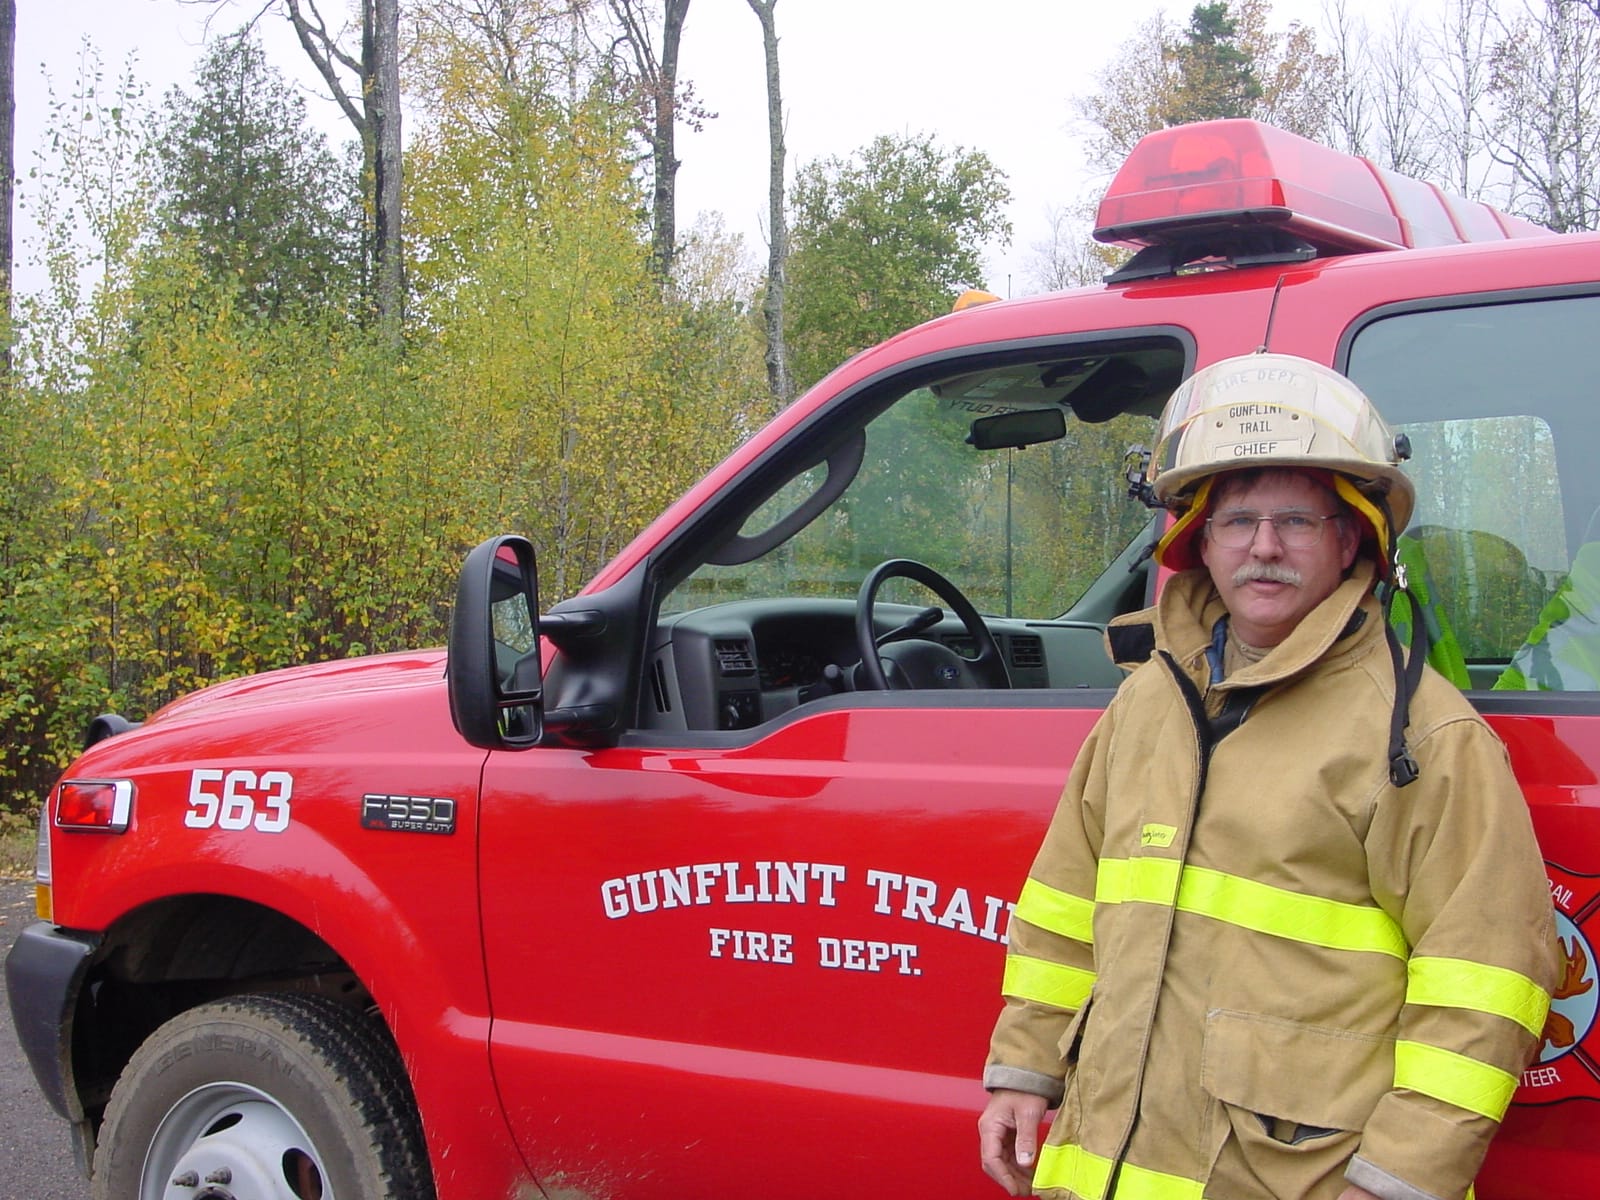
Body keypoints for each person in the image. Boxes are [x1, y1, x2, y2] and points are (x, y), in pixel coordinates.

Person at [978, 352, 1558, 1200]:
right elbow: (1063, 909)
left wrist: (1396, 1182)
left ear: (1352, 536)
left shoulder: (1424, 734)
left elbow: (1487, 982)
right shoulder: (1146, 704)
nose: (1265, 547)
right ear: (1197, 542)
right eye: (1238, 520)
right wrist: (1024, 1069)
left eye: (1297, 520)